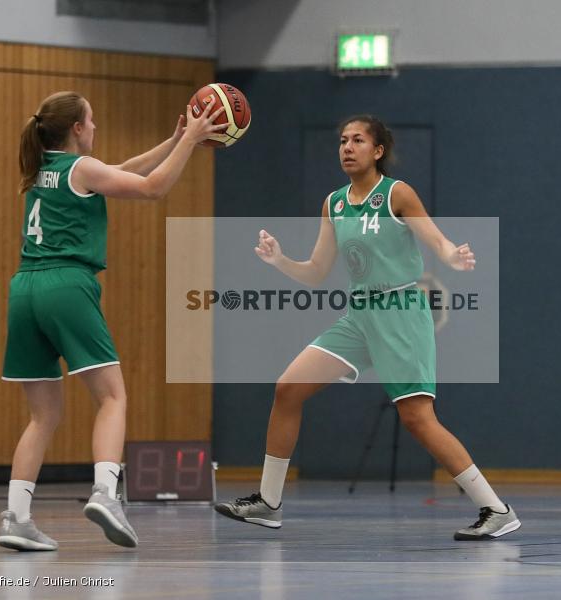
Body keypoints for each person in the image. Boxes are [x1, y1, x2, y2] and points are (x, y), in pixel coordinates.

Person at [212, 115, 520, 541]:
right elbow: (317, 271)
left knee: (417, 419)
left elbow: (437, 240)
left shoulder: (397, 194)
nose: (347, 147)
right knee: (287, 388)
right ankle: (268, 502)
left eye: (358, 140)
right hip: (359, 315)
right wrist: (279, 260)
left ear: (378, 151)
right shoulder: (334, 204)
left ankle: (495, 508)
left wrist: (453, 257)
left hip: (401, 311)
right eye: (342, 140)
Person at [0, 90, 226, 551]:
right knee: (113, 397)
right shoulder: (81, 169)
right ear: (78, 128)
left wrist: (175, 139)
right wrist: (193, 140)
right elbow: (153, 187)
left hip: (24, 289)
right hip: (67, 285)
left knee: (42, 415)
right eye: (93, 121)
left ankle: (16, 518)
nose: (96, 129)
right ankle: (106, 491)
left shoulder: (43, 169)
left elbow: (122, 169)